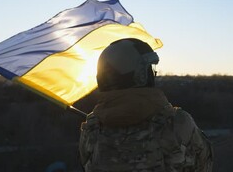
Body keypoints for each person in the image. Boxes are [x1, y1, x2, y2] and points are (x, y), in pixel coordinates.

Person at [79, 38, 213, 172]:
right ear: (141, 75)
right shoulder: (177, 123)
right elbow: (205, 164)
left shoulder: (91, 128)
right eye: (149, 69)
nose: (153, 74)